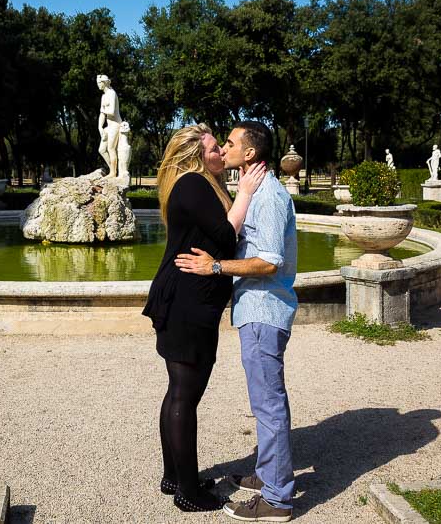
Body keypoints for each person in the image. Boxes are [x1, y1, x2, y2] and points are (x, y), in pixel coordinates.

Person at [175, 121, 297, 522]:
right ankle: (267, 475)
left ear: (249, 154)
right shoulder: (255, 191)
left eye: (229, 143)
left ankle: (278, 498)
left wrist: (215, 267)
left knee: (268, 405)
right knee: (264, 402)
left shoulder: (270, 197)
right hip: (254, 310)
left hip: (265, 312)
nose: (223, 149)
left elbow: (268, 261)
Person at [142, 124, 267, 513]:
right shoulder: (194, 184)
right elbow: (226, 236)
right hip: (187, 303)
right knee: (185, 395)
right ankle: (188, 493)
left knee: (178, 392)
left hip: (184, 300)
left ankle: (174, 477)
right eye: (215, 148)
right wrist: (245, 194)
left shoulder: (196, 184)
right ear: (198, 155)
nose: (220, 154)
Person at [96, 74, 122, 177]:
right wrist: (100, 127)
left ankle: (113, 172)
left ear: (104, 83)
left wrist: (102, 110)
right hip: (108, 126)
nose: (98, 85)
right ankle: (113, 169)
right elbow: (102, 114)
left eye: (99, 83)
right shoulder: (103, 96)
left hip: (115, 124)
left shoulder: (112, 93)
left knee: (111, 148)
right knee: (102, 150)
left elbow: (111, 111)